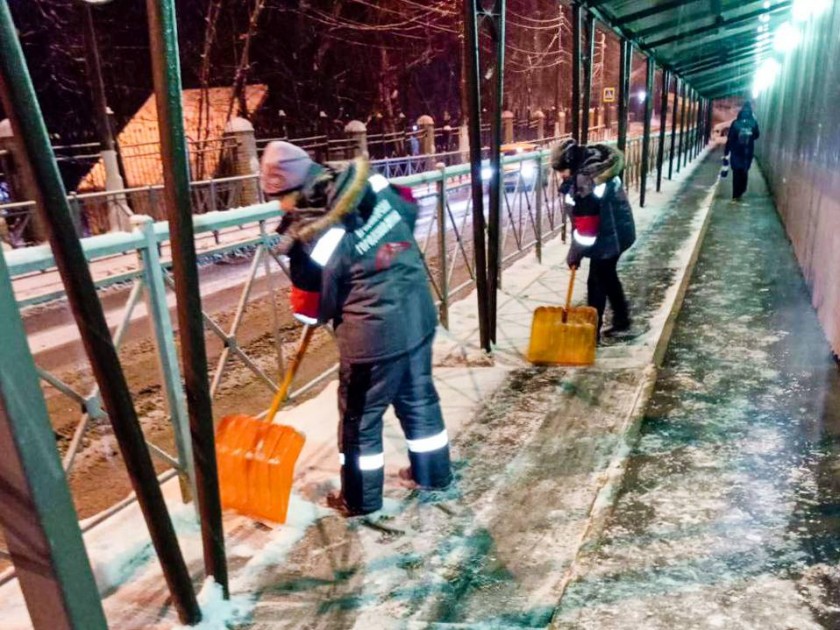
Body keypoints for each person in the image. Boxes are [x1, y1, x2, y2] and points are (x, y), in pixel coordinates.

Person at [260, 141, 452, 516]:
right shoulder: (367, 182)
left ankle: (360, 500)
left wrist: (303, 264)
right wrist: (385, 253)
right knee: (418, 399)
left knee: (360, 421)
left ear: (294, 190)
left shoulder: (312, 233)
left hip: (373, 337)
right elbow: (409, 203)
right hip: (416, 310)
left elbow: (310, 307)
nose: (279, 206)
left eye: (278, 197)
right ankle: (434, 474)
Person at [551, 138, 636, 340]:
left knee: (597, 281)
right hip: (616, 230)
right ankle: (621, 320)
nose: (561, 175)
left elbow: (586, 230)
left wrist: (574, 255)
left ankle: (592, 333)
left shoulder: (585, 184)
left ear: (571, 163)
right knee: (606, 276)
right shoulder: (594, 168)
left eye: (562, 170)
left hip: (608, 235)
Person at [724, 102, 760, 201]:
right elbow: (757, 135)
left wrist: (727, 151)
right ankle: (742, 189)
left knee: (736, 172)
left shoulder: (735, 123)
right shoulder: (753, 122)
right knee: (744, 171)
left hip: (736, 151)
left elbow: (730, 138)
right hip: (747, 152)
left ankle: (735, 194)